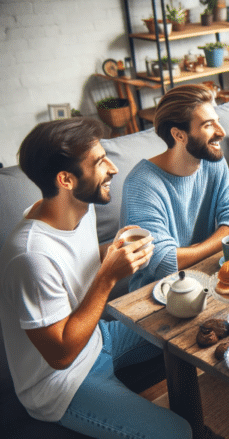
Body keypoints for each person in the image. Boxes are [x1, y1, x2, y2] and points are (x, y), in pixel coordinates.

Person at [0, 118, 191, 438]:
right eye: (100, 162)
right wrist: (107, 277)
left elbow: (74, 259)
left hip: (99, 338)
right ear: (66, 179)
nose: (113, 169)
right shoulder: (30, 257)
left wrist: (113, 250)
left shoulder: (75, 207)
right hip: (61, 384)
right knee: (178, 433)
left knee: (184, 323)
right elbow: (60, 356)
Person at [122, 84, 229, 291]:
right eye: (208, 125)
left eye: (217, 122)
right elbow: (164, 262)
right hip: (157, 294)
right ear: (179, 135)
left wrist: (193, 250)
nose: (221, 132)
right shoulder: (141, 184)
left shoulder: (213, 161)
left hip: (210, 278)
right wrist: (218, 243)